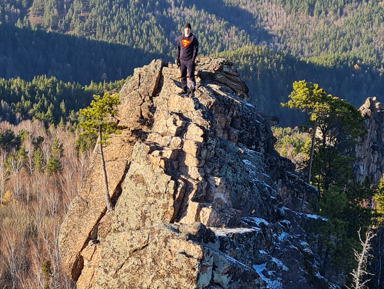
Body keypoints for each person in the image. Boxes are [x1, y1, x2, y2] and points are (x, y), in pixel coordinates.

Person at [176, 23, 199, 96]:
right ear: (184, 29)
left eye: (189, 28)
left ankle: (192, 90)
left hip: (189, 61)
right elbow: (178, 49)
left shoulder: (193, 38)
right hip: (182, 60)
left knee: (191, 76)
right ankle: (184, 89)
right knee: (183, 75)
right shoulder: (180, 38)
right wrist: (177, 59)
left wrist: (193, 59)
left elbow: (195, 49)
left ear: (190, 29)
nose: (187, 30)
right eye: (186, 28)